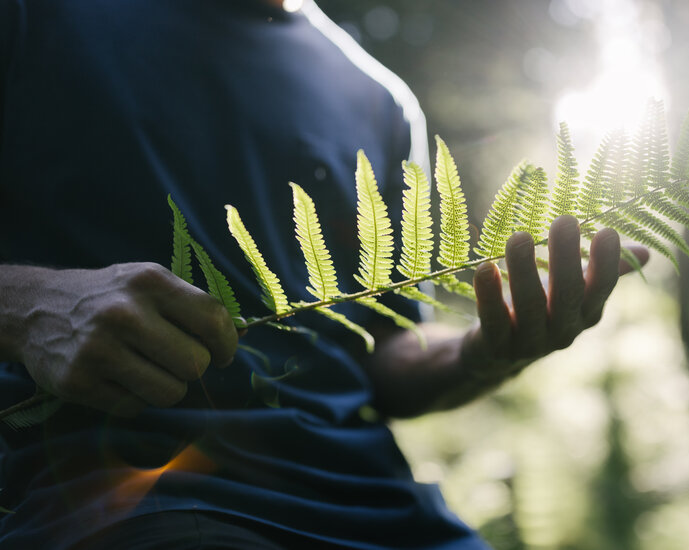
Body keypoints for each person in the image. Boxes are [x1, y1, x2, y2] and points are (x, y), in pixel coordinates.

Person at [0, 0, 647, 548]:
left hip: (386, 512)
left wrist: (487, 351)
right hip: (131, 499)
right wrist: (25, 305)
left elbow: (386, 352)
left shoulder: (378, 98)